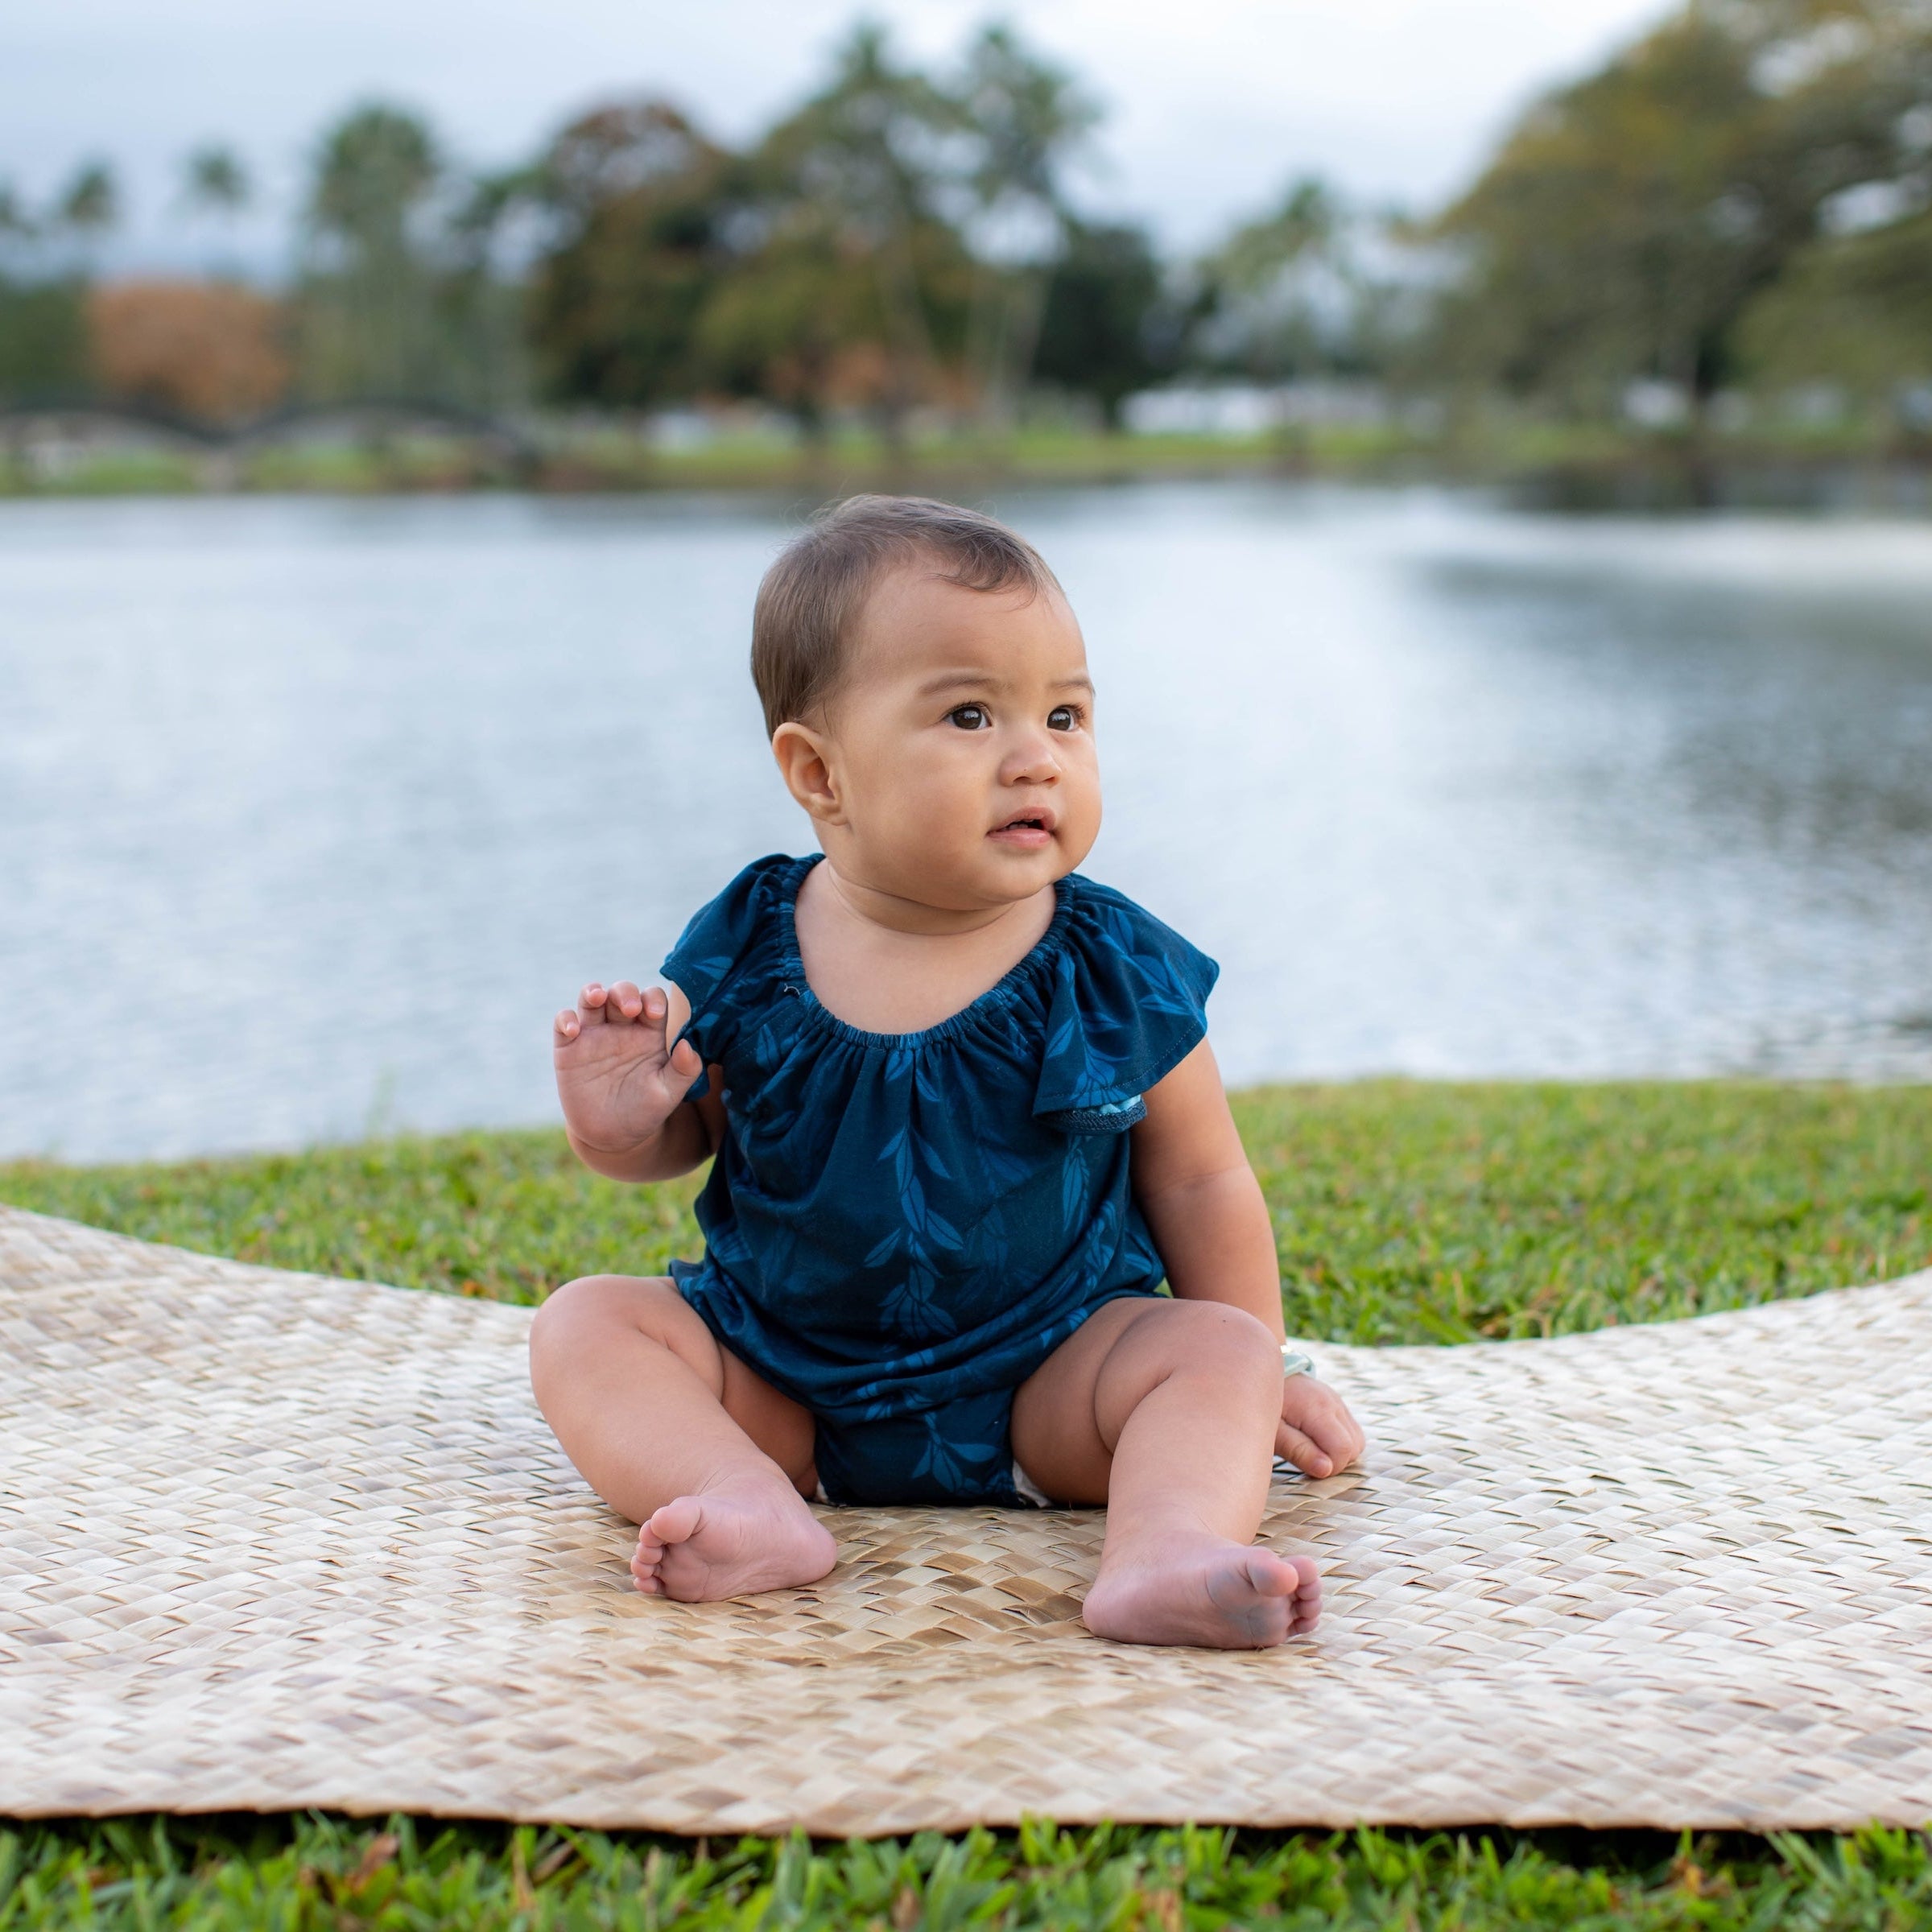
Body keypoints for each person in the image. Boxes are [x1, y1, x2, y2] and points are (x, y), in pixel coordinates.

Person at [530, 495, 1364, 1649]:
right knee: (585, 1327)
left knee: (1215, 1350)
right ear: (820, 775)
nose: (1038, 757)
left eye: (1067, 715)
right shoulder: (752, 941)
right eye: (971, 715)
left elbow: (1200, 1186)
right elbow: (689, 1133)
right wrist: (618, 1123)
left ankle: (1168, 1546)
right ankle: (745, 1498)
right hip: (787, 1386)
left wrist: (1267, 1375)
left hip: (1052, 1384)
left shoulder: (1109, 962)